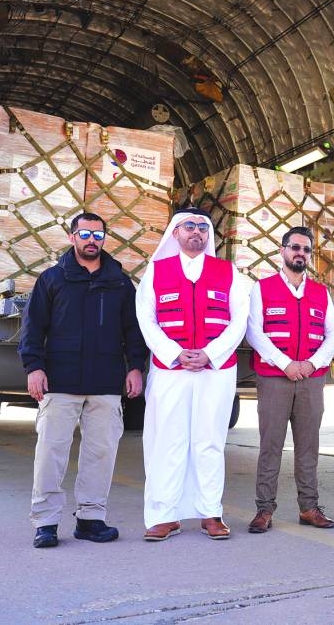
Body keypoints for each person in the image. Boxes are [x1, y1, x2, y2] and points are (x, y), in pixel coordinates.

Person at [20, 212, 147, 549]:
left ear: (105, 240)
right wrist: (34, 367)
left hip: (105, 384)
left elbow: (133, 331)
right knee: (50, 453)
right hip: (60, 382)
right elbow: (33, 328)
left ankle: (91, 519)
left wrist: (136, 367)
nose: (92, 240)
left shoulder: (119, 283)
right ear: (72, 236)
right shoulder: (52, 279)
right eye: (86, 234)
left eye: (99, 235)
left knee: (101, 453)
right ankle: (45, 522)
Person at [135, 208, 251, 541]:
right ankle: (163, 516)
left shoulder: (228, 272)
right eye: (189, 226)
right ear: (175, 233)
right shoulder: (156, 273)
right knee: (167, 442)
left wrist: (209, 354)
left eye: (203, 227)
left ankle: (210, 513)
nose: (196, 232)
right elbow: (147, 320)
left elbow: (238, 320)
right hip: (171, 370)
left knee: (209, 442)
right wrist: (175, 353)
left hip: (215, 371)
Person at [245, 226, 334, 532]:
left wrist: (312, 364)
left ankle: (309, 507)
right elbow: (254, 332)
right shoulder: (262, 288)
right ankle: (264, 510)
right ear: (282, 250)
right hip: (275, 378)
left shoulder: (320, 293)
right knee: (270, 445)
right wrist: (286, 363)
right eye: (294, 247)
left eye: (305, 249)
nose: (300, 253)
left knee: (308, 446)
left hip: (311, 380)